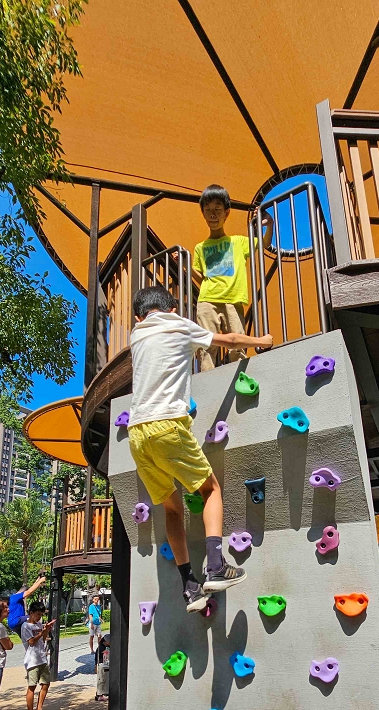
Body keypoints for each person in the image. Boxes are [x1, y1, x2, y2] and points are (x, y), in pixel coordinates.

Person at [127, 284, 272, 612]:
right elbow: (230, 341)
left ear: (138, 316)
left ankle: (190, 586)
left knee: (173, 509)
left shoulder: (136, 335)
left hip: (137, 436)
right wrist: (260, 342)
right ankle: (216, 566)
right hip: (167, 426)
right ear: (173, 308)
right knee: (211, 490)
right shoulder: (177, 323)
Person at [192, 184, 274, 372]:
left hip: (233, 299)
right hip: (207, 300)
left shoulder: (238, 242)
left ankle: (239, 377)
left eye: (218, 210)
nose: (213, 215)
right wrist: (185, 267)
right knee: (206, 345)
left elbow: (265, 243)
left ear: (226, 213)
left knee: (238, 340)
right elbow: (202, 277)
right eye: (208, 211)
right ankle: (208, 380)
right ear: (203, 213)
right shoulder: (200, 248)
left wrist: (269, 224)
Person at [21, 602, 56, 710]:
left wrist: (46, 630)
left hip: (42, 658)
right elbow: (31, 641)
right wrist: (42, 632)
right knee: (32, 686)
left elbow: (43, 638)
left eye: (41, 615)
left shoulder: (39, 624)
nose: (39, 617)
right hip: (32, 660)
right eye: (37, 614)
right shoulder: (25, 626)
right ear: (31, 613)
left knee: (45, 684)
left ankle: (39, 709)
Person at [95, 632, 110, 702]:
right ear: (105, 642)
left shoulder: (107, 647)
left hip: (106, 664)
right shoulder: (100, 648)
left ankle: (104, 693)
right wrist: (96, 666)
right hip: (101, 665)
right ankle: (99, 695)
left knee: (105, 679)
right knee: (101, 680)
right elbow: (97, 658)